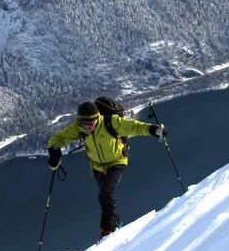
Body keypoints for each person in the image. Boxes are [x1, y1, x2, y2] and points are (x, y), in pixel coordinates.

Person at [47, 101, 167, 239]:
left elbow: (134, 127)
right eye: (84, 123)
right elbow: (58, 138)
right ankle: (115, 223)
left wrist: (154, 130)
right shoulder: (79, 128)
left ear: (97, 117)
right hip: (98, 167)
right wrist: (54, 151)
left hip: (117, 161)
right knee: (105, 198)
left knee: (106, 192)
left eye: (91, 122)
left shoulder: (111, 122)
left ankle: (108, 230)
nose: (88, 126)